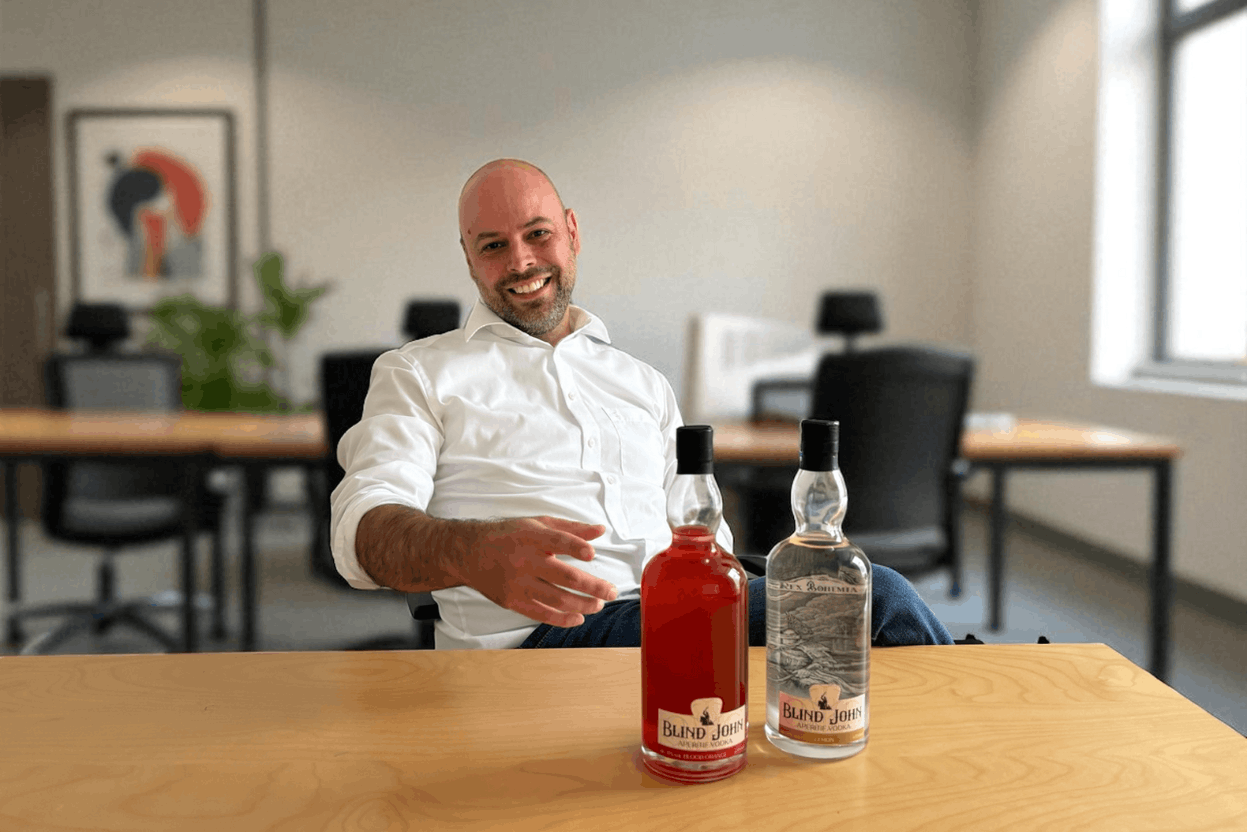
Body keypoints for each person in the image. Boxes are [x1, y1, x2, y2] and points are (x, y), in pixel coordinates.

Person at [330, 158, 953, 650]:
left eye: (537, 234)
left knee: (849, 608)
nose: (520, 260)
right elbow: (359, 531)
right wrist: (470, 552)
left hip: (677, 608)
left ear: (571, 234)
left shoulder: (643, 383)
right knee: (872, 599)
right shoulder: (417, 371)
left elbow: (705, 531)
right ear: (468, 260)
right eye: (492, 245)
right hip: (545, 637)